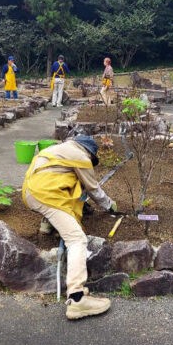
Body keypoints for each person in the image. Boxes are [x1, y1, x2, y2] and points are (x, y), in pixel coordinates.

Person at [22, 135, 117, 320]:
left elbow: (59, 178)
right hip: (46, 195)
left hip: (31, 191)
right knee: (76, 240)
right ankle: (77, 298)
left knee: (60, 205)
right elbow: (93, 188)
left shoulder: (55, 150)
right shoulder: (81, 157)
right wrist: (109, 205)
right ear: (88, 152)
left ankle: (46, 226)